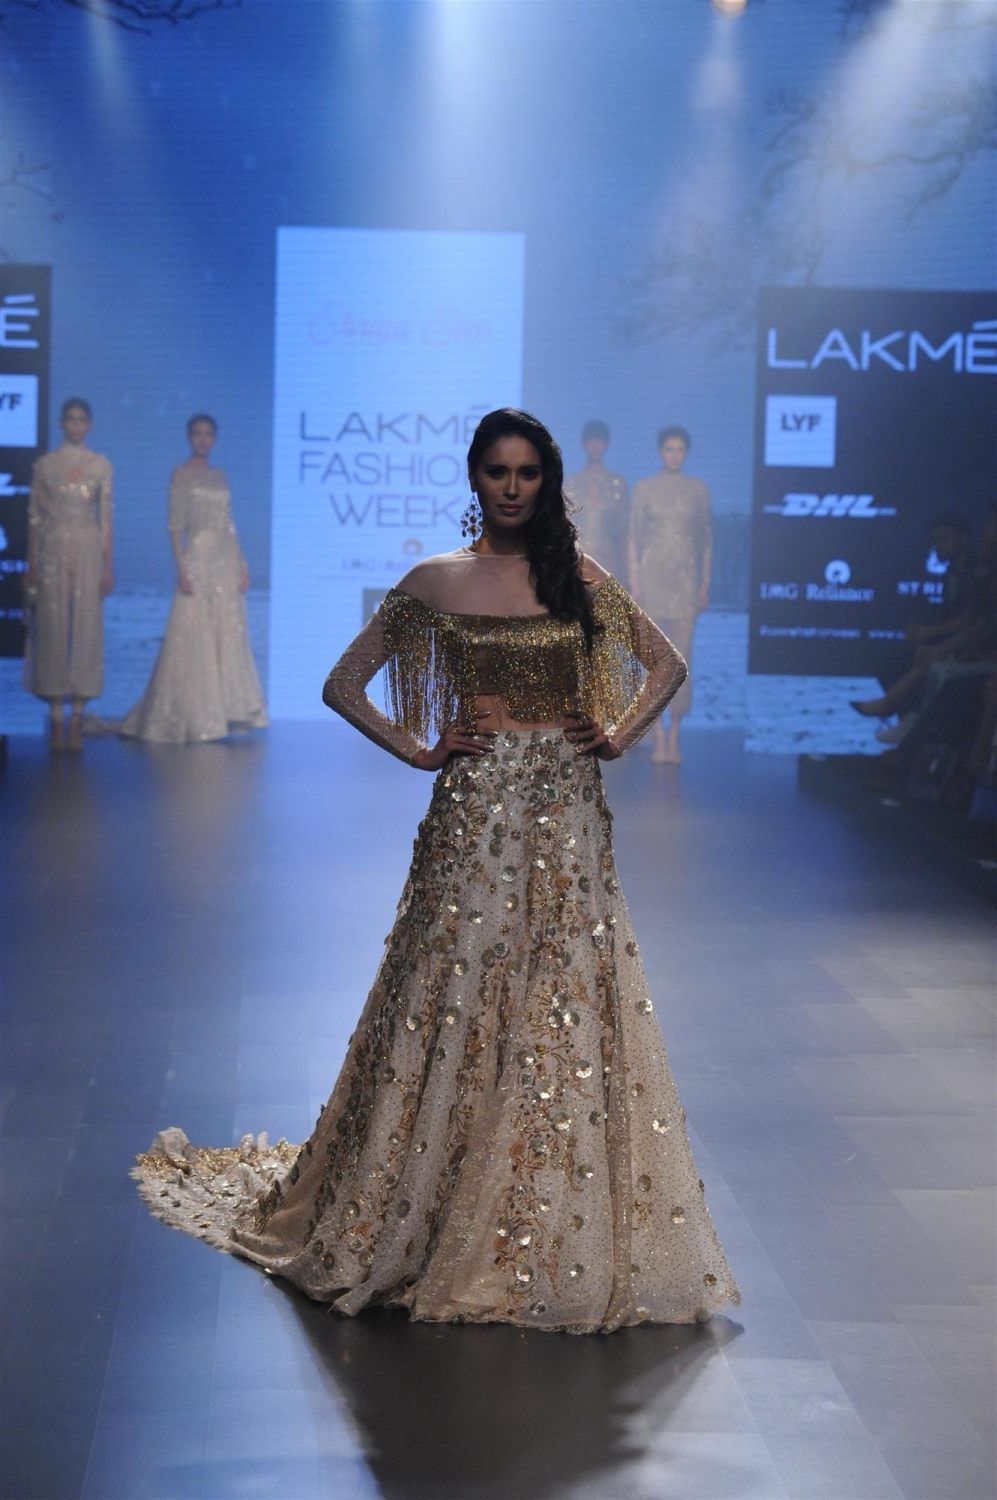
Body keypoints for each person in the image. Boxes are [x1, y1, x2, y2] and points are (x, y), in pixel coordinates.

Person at [132, 409, 741, 1334]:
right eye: (497, 471)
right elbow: (342, 683)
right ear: (473, 477)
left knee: (559, 993)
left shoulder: (577, 576)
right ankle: (439, 1203)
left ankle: (537, 1210)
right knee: (454, 988)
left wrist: (615, 734)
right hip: (473, 811)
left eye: (527, 472)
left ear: (546, 481)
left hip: (569, 811)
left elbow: (665, 662)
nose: (512, 487)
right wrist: (419, 749)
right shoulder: (434, 579)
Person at [116, 415, 267, 742]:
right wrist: (181, 567)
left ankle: (228, 711)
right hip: (197, 556)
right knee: (193, 632)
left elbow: (229, 524)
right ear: (189, 437)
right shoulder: (180, 474)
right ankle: (194, 714)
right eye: (197, 433)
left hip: (225, 559)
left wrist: (242, 565)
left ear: (215, 438)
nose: (203, 439)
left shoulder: (220, 476)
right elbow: (174, 526)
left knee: (227, 631)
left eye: (208, 434)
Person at [22, 398, 113, 751]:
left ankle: (77, 717)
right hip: (52, 550)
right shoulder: (45, 465)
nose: (76, 425)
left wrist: (108, 566)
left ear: (90, 425)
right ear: (62, 423)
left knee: (86, 628)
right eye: (71, 419)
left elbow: (106, 519)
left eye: (82, 419)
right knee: (53, 628)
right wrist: (32, 563)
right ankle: (57, 718)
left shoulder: (100, 465)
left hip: (88, 548)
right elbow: (35, 518)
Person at [628, 426, 712, 764]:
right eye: (669, 449)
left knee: (682, 660)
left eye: (679, 449)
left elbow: (706, 542)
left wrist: (704, 584)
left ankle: (675, 735)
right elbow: (634, 538)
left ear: (686, 453)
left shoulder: (699, 491)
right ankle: (658, 737)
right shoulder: (644, 489)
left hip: (685, 583)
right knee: (653, 661)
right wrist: (635, 583)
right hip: (652, 581)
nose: (674, 455)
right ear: (660, 452)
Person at [563, 419, 628, 580]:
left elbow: (623, 530)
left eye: (599, 441)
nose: (594, 446)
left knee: (608, 595)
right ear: (584, 444)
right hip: (577, 560)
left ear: (606, 445)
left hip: (609, 561)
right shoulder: (571, 484)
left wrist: (625, 571)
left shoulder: (617, 484)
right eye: (590, 441)